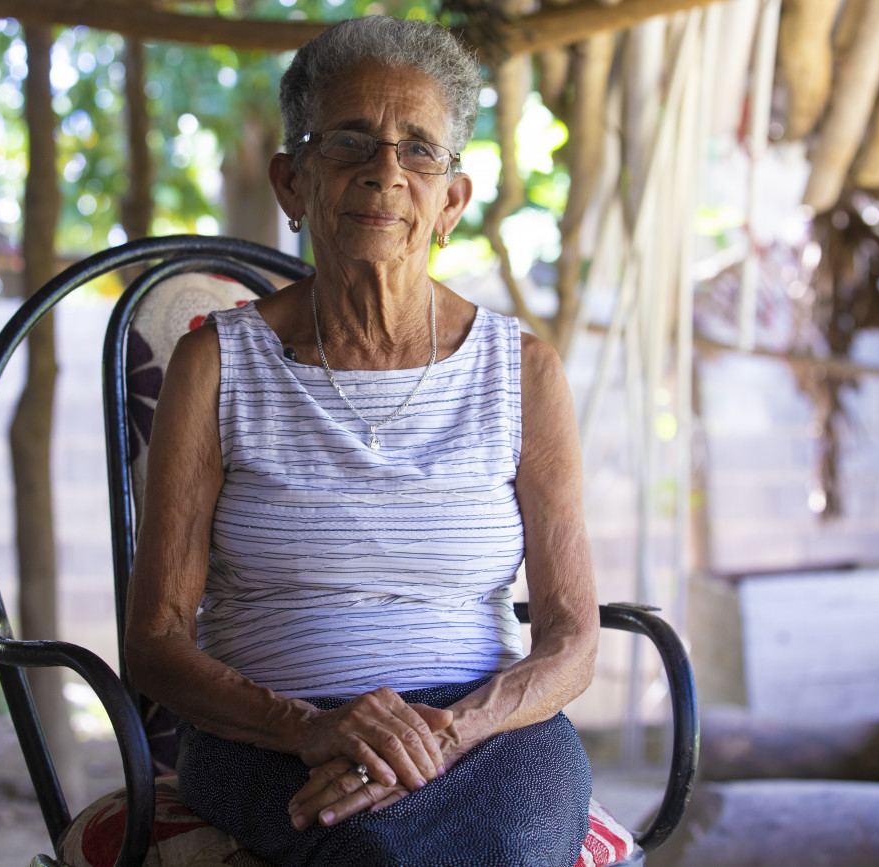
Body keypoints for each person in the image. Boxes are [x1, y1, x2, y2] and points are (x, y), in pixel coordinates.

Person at [124, 15, 600, 866]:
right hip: (269, 730)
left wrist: (445, 732)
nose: (386, 172)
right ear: (292, 182)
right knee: (369, 851)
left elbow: (572, 640)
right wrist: (309, 727)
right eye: (349, 142)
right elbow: (155, 642)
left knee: (507, 846)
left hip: (487, 732)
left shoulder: (522, 371)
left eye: (419, 150)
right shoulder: (216, 362)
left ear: (451, 200)